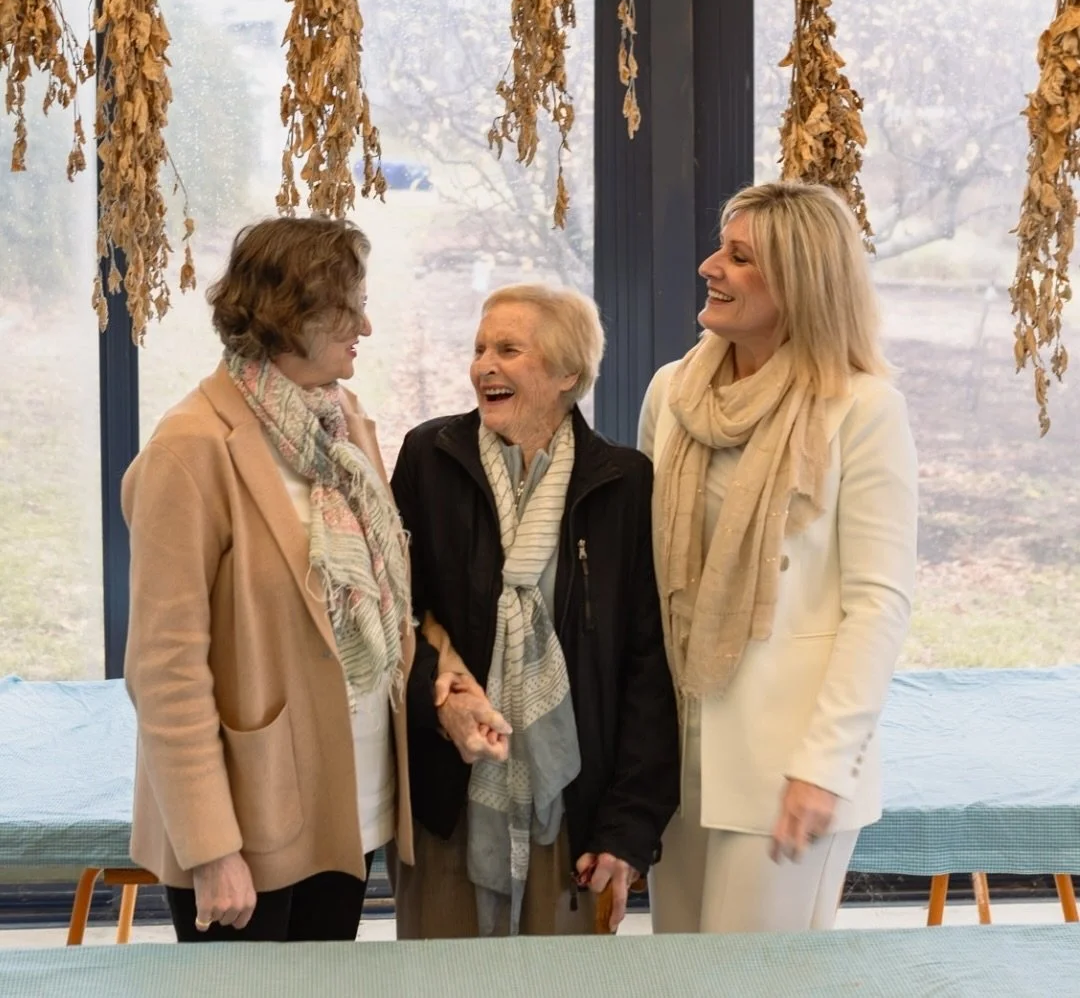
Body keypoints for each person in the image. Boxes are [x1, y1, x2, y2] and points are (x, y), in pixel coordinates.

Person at [122, 217, 414, 942]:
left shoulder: (342, 424)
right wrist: (211, 847)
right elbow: (165, 670)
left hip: (348, 803)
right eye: (349, 307)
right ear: (291, 315)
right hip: (247, 829)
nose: (366, 326)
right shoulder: (190, 449)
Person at [640, 181, 917, 934]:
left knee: (754, 985)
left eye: (738, 257)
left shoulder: (861, 409)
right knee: (679, 981)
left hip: (786, 767)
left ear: (799, 284)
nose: (708, 266)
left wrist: (823, 765)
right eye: (718, 248)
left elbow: (878, 604)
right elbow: (649, 574)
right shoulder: (671, 392)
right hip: (679, 753)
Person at [390, 283, 679, 938]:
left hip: (574, 804)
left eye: (509, 349)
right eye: (479, 348)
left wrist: (630, 828)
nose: (484, 365)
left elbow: (648, 666)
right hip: (451, 795)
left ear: (566, 373)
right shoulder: (427, 458)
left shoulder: (626, 483)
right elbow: (395, 617)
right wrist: (442, 698)